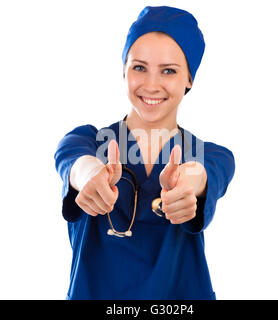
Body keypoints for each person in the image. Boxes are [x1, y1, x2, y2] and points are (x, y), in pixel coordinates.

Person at [54, 6, 235, 300]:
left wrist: (189, 185)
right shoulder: (88, 142)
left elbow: (208, 172)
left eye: (169, 71)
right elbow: (72, 160)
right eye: (139, 67)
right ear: (123, 69)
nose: (151, 85)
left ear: (190, 78)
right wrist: (89, 176)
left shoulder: (207, 155)